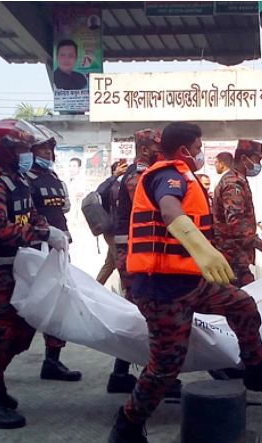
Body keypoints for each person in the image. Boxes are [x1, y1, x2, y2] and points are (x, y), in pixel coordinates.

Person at [108, 122, 262, 443]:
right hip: (162, 290)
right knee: (166, 367)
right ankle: (126, 426)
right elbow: (169, 210)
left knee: (243, 305)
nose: (200, 155)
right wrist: (201, 248)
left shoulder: (183, 175)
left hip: (192, 282)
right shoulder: (166, 176)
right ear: (183, 150)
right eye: (197, 149)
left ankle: (257, 370)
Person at [0, 119, 69, 429]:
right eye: (21, 148)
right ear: (3, 150)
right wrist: (43, 235)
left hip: (8, 271)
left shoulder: (18, 181)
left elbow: (32, 216)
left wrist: (50, 230)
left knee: (21, 332)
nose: (27, 154)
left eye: (28, 148)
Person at [107, 129, 185, 398]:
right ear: (144, 148)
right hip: (134, 255)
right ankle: (160, 378)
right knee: (149, 316)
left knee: (140, 315)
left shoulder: (138, 174)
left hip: (135, 253)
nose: (161, 150)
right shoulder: (138, 177)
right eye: (157, 146)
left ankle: (120, 375)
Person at [25, 127, 82, 382]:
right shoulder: (23, 178)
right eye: (41, 149)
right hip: (33, 247)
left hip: (59, 245)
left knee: (59, 303)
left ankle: (52, 361)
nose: (47, 153)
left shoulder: (54, 178)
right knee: (26, 303)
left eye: (50, 149)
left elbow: (65, 207)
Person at [213, 139, 262, 286]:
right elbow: (236, 224)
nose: (259, 165)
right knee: (243, 303)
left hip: (238, 256)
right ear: (244, 158)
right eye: (257, 160)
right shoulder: (233, 184)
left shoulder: (239, 180)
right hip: (233, 256)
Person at [96, 161, 130, 286]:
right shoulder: (111, 184)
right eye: (121, 168)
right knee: (121, 261)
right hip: (111, 229)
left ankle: (95, 287)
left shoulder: (126, 183)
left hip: (120, 230)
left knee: (110, 263)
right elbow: (99, 192)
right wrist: (114, 176)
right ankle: (127, 290)